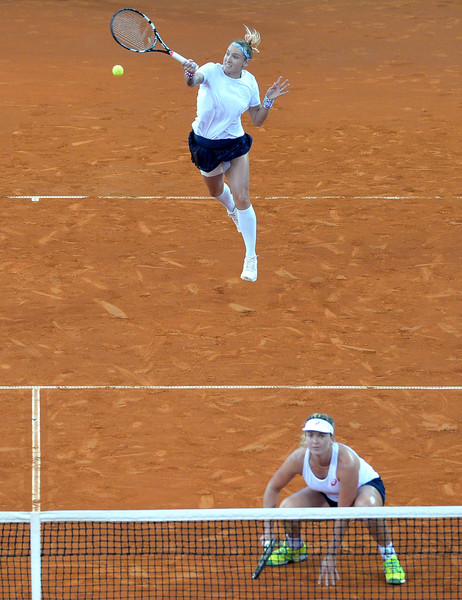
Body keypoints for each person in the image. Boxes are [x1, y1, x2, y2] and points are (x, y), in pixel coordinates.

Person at [182, 26, 289, 282]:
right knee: (215, 191)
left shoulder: (249, 82)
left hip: (234, 144)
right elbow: (193, 80)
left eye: (234, 57)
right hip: (205, 146)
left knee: (243, 197)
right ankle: (230, 208)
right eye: (227, 54)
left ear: (246, 62)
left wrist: (268, 101)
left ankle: (250, 257)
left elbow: (257, 120)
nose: (228, 59)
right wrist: (188, 72)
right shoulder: (209, 70)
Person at [260, 413, 406, 586]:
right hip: (327, 492)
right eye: (310, 435)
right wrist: (268, 530)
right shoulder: (299, 458)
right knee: (287, 508)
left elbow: (343, 514)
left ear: (332, 439)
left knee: (367, 508)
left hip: (362, 489)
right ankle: (294, 548)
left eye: (321, 436)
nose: (315, 441)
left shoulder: (346, 462)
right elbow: (273, 487)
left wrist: (331, 554)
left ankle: (389, 556)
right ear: (305, 438)